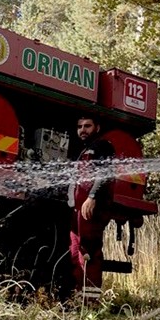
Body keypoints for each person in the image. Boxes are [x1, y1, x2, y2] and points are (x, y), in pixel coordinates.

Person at [69, 115, 116, 304]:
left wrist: (92, 197)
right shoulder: (81, 151)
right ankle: (78, 299)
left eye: (87, 126)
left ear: (97, 127)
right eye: (79, 126)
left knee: (90, 252)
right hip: (77, 210)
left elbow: (104, 172)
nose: (83, 130)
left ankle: (91, 303)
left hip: (91, 209)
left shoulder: (102, 147)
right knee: (75, 252)